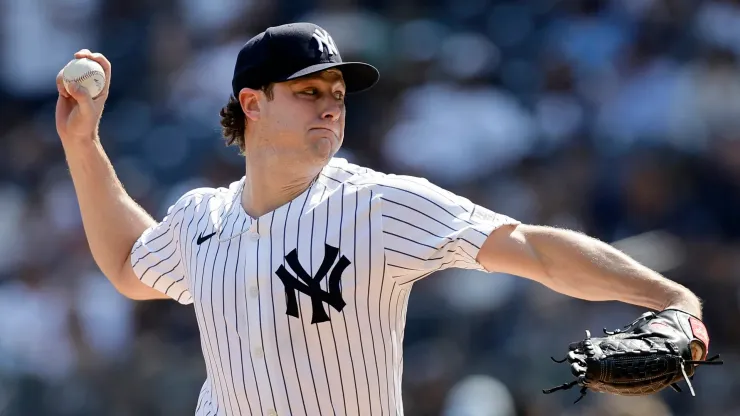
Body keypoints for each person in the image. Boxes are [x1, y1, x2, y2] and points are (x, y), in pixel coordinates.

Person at [55, 22, 705, 416]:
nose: (331, 107)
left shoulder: (379, 205)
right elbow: (126, 263)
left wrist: (670, 297)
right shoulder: (202, 217)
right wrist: (83, 145)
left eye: (337, 95)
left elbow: (529, 247)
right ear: (251, 103)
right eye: (308, 92)